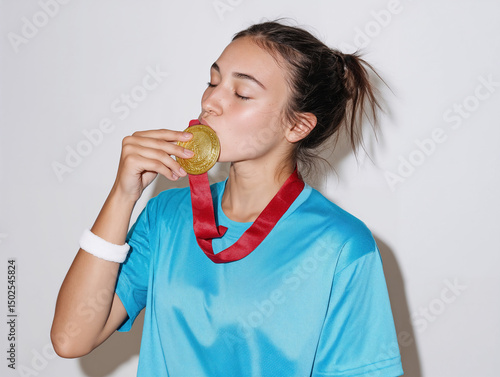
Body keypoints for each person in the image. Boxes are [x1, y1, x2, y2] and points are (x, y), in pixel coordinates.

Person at [51, 20, 404, 377]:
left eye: (242, 94)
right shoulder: (167, 215)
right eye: (213, 81)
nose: (210, 102)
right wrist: (123, 195)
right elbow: (70, 338)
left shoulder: (341, 246)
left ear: (297, 126)